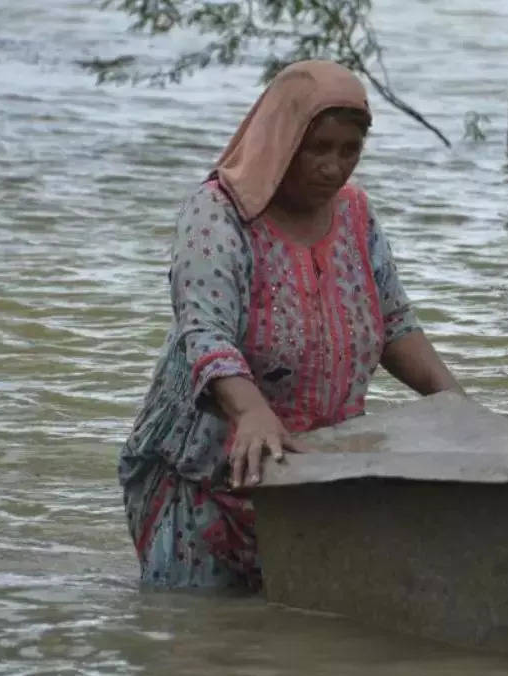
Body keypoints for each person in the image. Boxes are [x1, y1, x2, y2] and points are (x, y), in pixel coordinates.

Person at [118, 60, 462, 590]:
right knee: (198, 642)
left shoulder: (355, 214)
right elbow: (205, 332)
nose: (334, 167)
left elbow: (393, 321)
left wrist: (457, 405)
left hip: (311, 477)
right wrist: (252, 412)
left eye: (350, 150)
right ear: (283, 139)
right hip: (203, 476)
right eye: (318, 148)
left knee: (298, 634)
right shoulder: (219, 213)